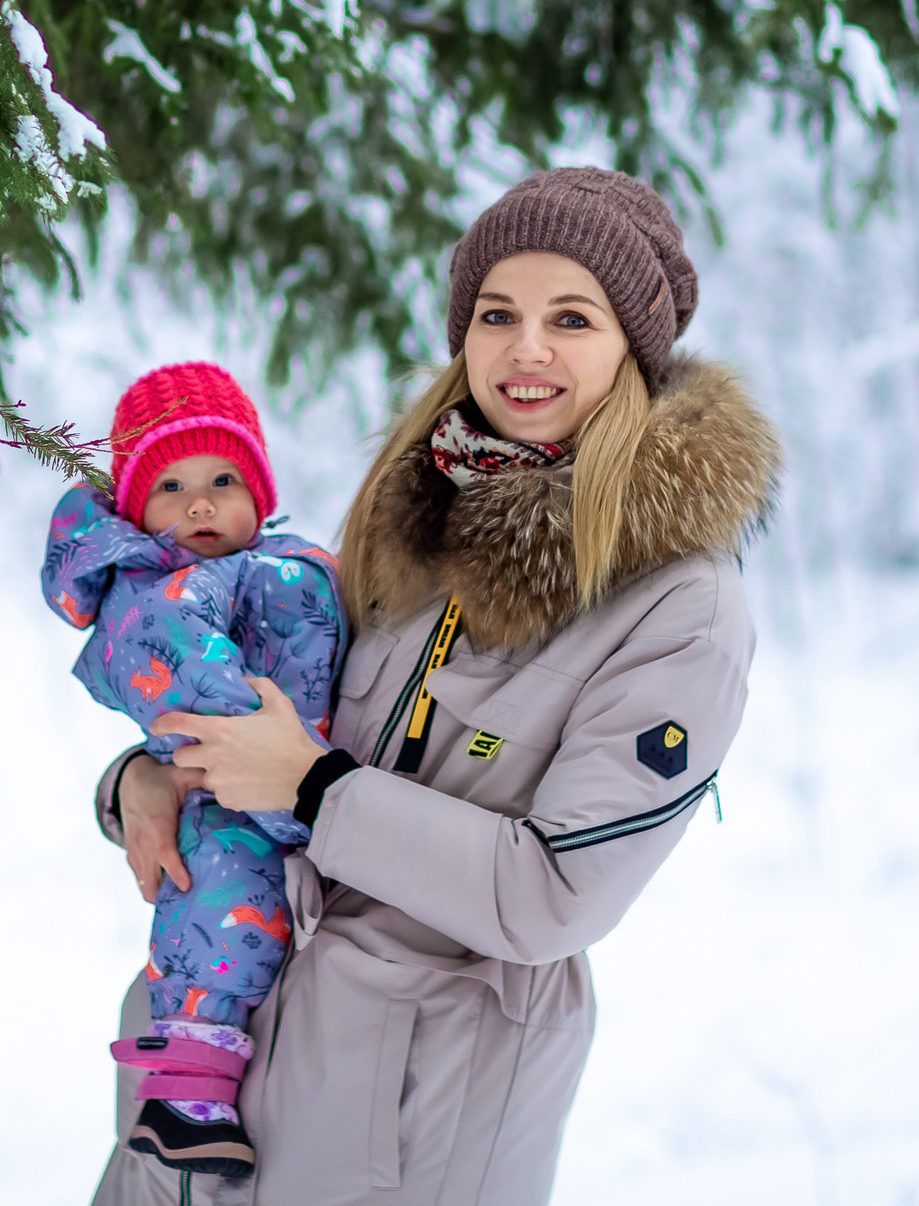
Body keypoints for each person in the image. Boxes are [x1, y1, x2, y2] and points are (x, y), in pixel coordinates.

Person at [89, 168, 782, 1204]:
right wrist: (143, 776)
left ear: (632, 348)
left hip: (405, 1117)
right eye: (496, 313)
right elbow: (272, 714)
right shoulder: (409, 517)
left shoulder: (677, 607)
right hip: (211, 1085)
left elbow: (555, 895)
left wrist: (316, 790)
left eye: (571, 318)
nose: (526, 348)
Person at [42, 362, 345, 1178]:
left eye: (222, 479)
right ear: (136, 507)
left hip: (279, 799)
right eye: (172, 485)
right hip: (237, 808)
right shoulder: (158, 591)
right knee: (221, 923)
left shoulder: (268, 563)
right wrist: (314, 801)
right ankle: (187, 1091)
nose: (202, 503)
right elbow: (205, 696)